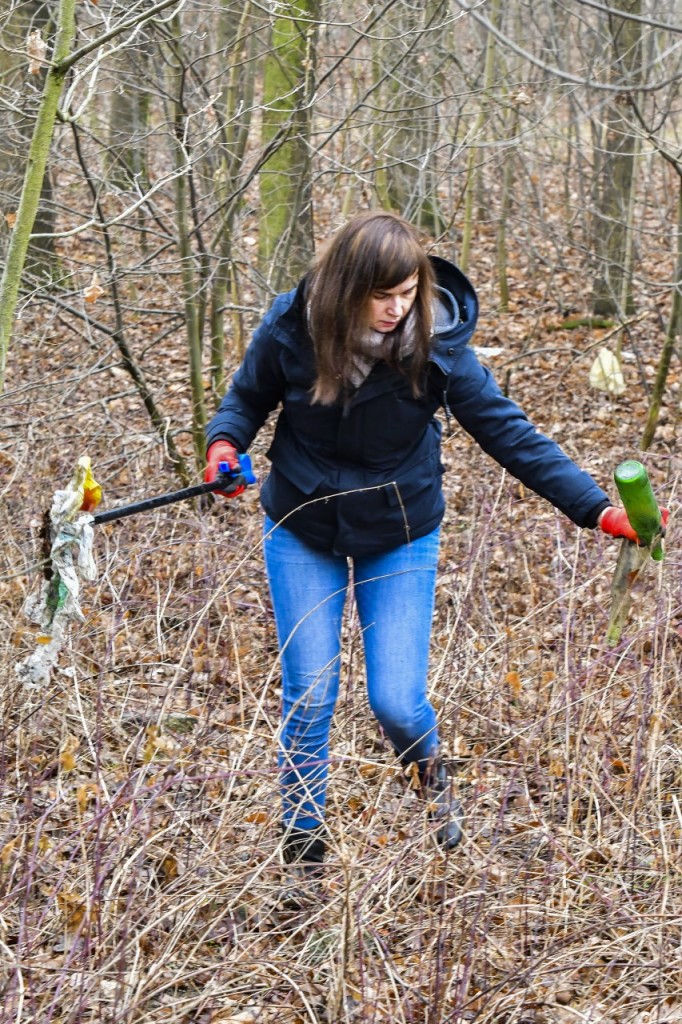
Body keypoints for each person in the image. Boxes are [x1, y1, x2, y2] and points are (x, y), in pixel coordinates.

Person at [204, 210, 650, 871]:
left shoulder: (437, 345)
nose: (395, 309)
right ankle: (303, 856)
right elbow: (243, 402)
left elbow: (509, 432)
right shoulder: (292, 329)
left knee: (396, 700)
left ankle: (430, 779)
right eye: (381, 296)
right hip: (301, 524)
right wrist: (223, 448)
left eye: (407, 293)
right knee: (311, 692)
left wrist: (596, 510)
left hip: (399, 531)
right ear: (344, 290)